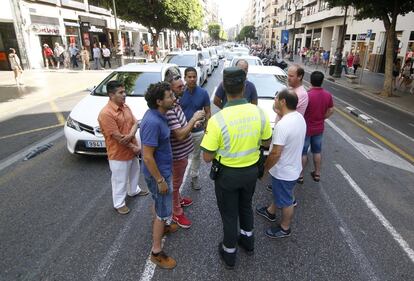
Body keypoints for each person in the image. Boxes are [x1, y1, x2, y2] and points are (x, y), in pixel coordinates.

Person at [201, 67, 272, 269]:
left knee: (230, 214)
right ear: (245, 86)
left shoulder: (217, 120)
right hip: (250, 173)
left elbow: (207, 157)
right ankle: (248, 242)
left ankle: (229, 252)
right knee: (245, 206)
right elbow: (267, 143)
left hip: (227, 176)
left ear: (224, 86)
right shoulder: (259, 113)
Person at [256, 89, 306, 239]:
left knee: (286, 200)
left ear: (283, 102)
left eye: (276, 98)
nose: (274, 100)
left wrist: (264, 170)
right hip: (293, 167)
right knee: (281, 193)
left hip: (284, 171)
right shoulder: (298, 117)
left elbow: (275, 153)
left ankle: (285, 228)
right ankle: (270, 212)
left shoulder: (283, 125)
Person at [140, 82, 178, 269]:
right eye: (170, 96)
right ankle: (156, 252)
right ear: (159, 101)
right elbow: (147, 156)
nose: (174, 98)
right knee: (163, 212)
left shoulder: (159, 115)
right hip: (159, 175)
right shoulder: (153, 122)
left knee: (158, 203)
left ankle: (161, 227)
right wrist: (160, 180)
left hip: (162, 171)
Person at [97, 81, 149, 215]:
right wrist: (133, 147)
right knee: (119, 180)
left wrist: (130, 135)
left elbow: (135, 122)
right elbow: (117, 137)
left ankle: (133, 190)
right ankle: (119, 203)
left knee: (134, 172)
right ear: (111, 95)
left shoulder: (125, 107)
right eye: (121, 93)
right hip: (118, 153)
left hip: (131, 151)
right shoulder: (106, 114)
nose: (124, 95)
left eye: (124, 92)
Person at [165, 75, 205, 228]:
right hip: (177, 155)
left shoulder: (176, 103)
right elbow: (180, 134)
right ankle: (176, 212)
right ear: (170, 90)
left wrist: (191, 125)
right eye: (179, 87)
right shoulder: (169, 109)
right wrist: (194, 119)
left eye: (183, 85)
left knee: (178, 182)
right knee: (175, 185)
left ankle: (178, 199)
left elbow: (181, 126)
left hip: (182, 153)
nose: (183, 88)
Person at [298, 71, 334, 184]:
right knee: (317, 151)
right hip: (319, 128)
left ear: (310, 81)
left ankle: (300, 175)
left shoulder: (307, 95)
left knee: (303, 153)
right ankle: (317, 173)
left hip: (306, 128)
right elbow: (331, 109)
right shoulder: (328, 95)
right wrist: (323, 118)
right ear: (322, 81)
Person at [180, 67, 211, 190]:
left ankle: (194, 177)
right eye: (189, 77)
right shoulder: (179, 93)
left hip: (198, 132)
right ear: (185, 78)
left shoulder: (203, 93)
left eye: (194, 77)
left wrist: (206, 125)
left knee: (196, 155)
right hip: (181, 132)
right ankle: (178, 179)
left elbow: (208, 112)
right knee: (181, 156)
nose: (192, 79)